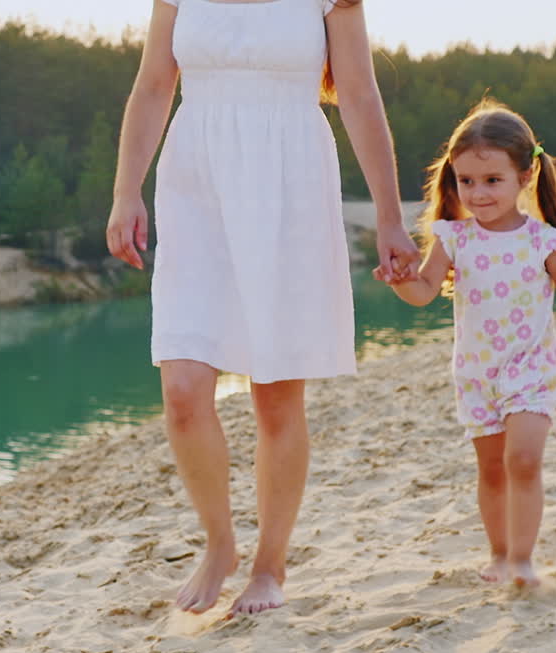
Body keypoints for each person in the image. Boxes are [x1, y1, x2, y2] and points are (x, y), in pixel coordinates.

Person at [107, 0, 420, 616]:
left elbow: (359, 95)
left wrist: (389, 216)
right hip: (197, 186)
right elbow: (151, 87)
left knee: (276, 395)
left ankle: (269, 566)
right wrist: (125, 192)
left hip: (288, 183)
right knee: (183, 391)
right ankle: (219, 543)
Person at [374, 99, 556, 588]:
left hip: (530, 371)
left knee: (522, 461)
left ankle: (522, 558)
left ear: (524, 176)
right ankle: (499, 553)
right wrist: (398, 281)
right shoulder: (454, 238)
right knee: (492, 469)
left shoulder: (546, 242)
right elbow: (423, 293)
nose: (478, 193)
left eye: (492, 180)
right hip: (476, 374)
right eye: (467, 181)